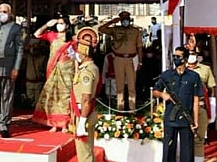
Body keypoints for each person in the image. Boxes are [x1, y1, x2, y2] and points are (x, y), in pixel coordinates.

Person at [153, 46, 203, 162]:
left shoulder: (193, 76)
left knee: (187, 152)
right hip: (170, 118)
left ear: (184, 58)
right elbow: (155, 91)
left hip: (186, 118)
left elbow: (196, 99)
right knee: (168, 150)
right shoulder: (167, 75)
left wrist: (195, 121)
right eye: (174, 56)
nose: (175, 58)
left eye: (178, 56)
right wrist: (162, 95)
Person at [32, 15, 76, 133]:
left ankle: (65, 124)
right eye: (58, 23)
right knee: (53, 96)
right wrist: (47, 25)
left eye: (62, 23)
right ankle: (54, 123)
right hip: (53, 69)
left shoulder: (72, 39)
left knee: (65, 96)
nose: (59, 25)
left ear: (67, 25)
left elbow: (75, 56)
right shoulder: (53, 35)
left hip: (67, 71)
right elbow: (37, 34)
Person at [0, 3, 23, 138]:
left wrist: (16, 67)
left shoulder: (16, 27)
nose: (3, 14)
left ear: (10, 13)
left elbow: (19, 48)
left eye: (5, 12)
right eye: (1, 11)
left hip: (8, 66)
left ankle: (4, 124)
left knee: (6, 95)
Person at [98, 11, 142, 113]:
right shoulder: (115, 30)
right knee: (119, 85)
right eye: (122, 19)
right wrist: (112, 21)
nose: (125, 21)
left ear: (129, 19)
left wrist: (140, 62)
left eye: (126, 19)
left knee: (132, 85)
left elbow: (139, 47)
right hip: (118, 59)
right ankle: (120, 108)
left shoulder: (136, 31)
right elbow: (101, 29)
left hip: (131, 59)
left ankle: (132, 108)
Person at [72, 27, 100, 162]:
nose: (77, 54)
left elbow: (86, 99)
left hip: (84, 113)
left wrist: (82, 122)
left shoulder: (87, 72)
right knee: (86, 150)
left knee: (84, 154)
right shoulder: (89, 67)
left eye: (79, 52)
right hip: (83, 112)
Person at [186, 50, 216, 162]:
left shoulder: (205, 69)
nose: (191, 55)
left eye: (193, 53)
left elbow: (211, 89)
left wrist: (212, 106)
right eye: (189, 53)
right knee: (186, 138)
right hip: (186, 108)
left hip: (201, 106)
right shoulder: (181, 68)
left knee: (199, 139)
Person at [24, 38, 48, 108]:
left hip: (39, 82)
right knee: (29, 101)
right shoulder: (28, 57)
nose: (34, 48)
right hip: (29, 82)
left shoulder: (43, 58)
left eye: (36, 46)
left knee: (38, 103)